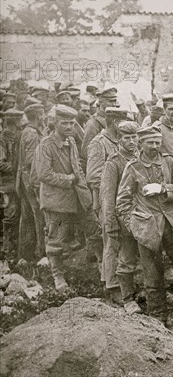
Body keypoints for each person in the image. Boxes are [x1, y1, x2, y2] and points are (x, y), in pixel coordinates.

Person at [116, 126, 173, 324]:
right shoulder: (133, 167)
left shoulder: (169, 161)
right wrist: (134, 225)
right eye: (150, 142)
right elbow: (122, 201)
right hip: (147, 227)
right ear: (141, 144)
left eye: (158, 142)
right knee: (152, 275)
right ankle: (158, 319)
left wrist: (164, 188)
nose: (155, 146)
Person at [37, 105, 94, 292]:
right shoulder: (46, 144)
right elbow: (44, 174)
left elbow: (76, 166)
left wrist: (82, 183)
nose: (69, 126)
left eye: (71, 122)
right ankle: (58, 277)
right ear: (55, 123)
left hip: (76, 196)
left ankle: (91, 268)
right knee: (55, 239)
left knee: (89, 231)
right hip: (56, 200)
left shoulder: (70, 141)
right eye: (64, 123)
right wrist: (69, 180)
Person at [86, 107, 133, 297]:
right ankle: (113, 286)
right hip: (107, 200)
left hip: (123, 201)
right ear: (114, 122)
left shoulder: (121, 140)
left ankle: (118, 281)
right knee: (111, 241)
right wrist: (117, 185)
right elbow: (93, 176)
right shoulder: (99, 143)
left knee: (122, 244)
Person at [100, 121, 142, 314]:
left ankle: (136, 290)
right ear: (119, 140)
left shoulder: (140, 158)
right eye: (127, 138)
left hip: (139, 216)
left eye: (134, 137)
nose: (132, 141)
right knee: (123, 256)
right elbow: (107, 195)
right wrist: (110, 221)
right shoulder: (114, 162)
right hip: (121, 215)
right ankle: (121, 294)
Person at [16, 104, 46, 261]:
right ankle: (42, 255)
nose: (45, 117)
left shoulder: (26, 131)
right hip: (31, 182)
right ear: (39, 116)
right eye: (43, 114)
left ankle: (25, 256)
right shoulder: (32, 134)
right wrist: (36, 186)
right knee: (39, 217)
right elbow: (30, 162)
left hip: (24, 181)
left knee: (27, 219)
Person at [0, 109, 23, 258]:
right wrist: (17, 166)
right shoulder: (2, 138)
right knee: (10, 216)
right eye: (19, 120)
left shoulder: (16, 136)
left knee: (17, 216)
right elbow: (1, 164)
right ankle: (8, 250)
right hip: (7, 185)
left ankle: (14, 249)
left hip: (16, 183)